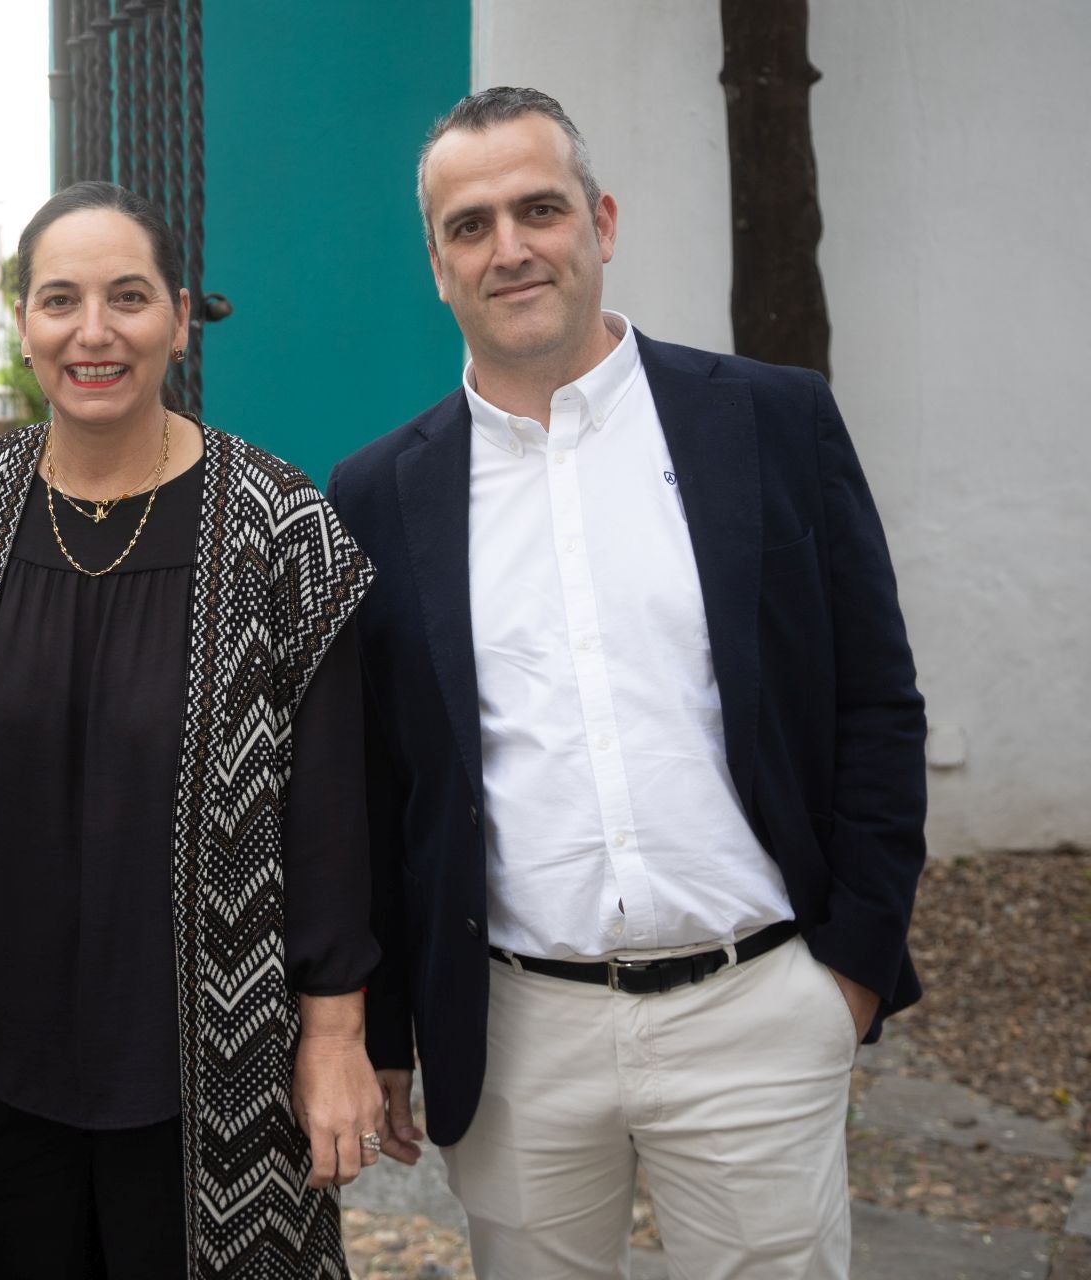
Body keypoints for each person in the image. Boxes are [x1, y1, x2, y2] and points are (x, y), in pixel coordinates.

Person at [327, 87, 927, 1279]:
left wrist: (849, 968)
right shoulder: (379, 493)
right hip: (516, 1032)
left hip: (757, 1006)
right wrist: (387, 1026)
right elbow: (383, 784)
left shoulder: (770, 420)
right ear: (437, 263)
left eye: (539, 209)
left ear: (601, 221)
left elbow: (875, 697)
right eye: (470, 224)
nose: (510, 248)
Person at [0, 180, 386, 1278]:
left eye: (128, 297)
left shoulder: (282, 533)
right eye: (60, 299)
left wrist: (336, 1033)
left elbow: (334, 813)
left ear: (180, 316)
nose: (92, 331)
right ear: (22, 322)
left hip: (221, 1074)